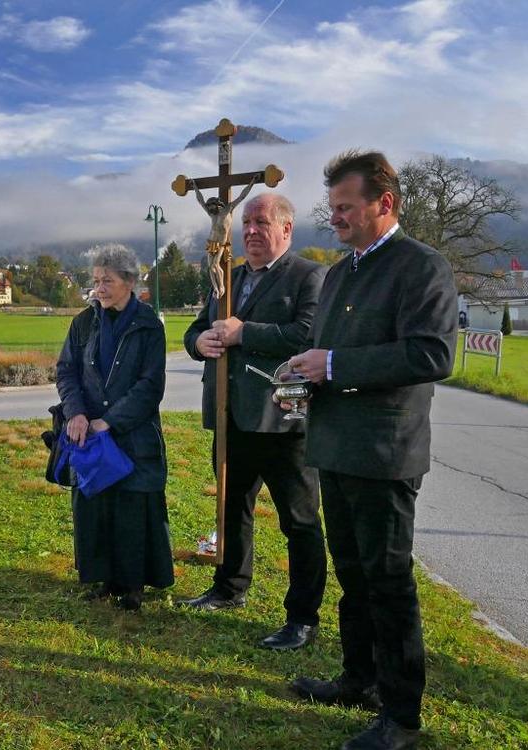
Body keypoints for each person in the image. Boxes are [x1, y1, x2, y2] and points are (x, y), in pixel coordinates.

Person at [287, 151, 457, 750]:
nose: (334, 218)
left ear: (384, 203)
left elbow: (432, 354)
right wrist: (304, 378)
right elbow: (325, 353)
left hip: (384, 453)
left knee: (388, 582)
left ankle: (401, 715)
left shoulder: (422, 266)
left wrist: (332, 365)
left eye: (345, 207)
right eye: (332, 207)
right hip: (334, 446)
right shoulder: (337, 274)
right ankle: (357, 680)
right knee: (353, 577)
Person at [178, 194, 327, 651]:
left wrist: (244, 333)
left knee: (299, 522)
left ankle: (302, 618)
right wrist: (199, 342)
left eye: (261, 222)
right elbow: (197, 329)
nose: (251, 230)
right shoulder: (228, 277)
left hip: (284, 422)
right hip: (231, 417)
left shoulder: (308, 276)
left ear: (286, 228)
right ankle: (229, 587)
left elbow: (308, 335)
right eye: (247, 222)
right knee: (231, 509)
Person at [55, 243, 173, 611]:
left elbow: (150, 386)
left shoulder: (149, 325)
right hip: (89, 433)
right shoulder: (83, 322)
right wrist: (75, 413)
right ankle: (105, 580)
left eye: (107, 281)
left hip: (134, 434)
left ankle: (134, 586)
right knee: (98, 506)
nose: (99, 289)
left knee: (133, 508)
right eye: (95, 281)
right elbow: (66, 371)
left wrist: (111, 421)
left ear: (130, 282)